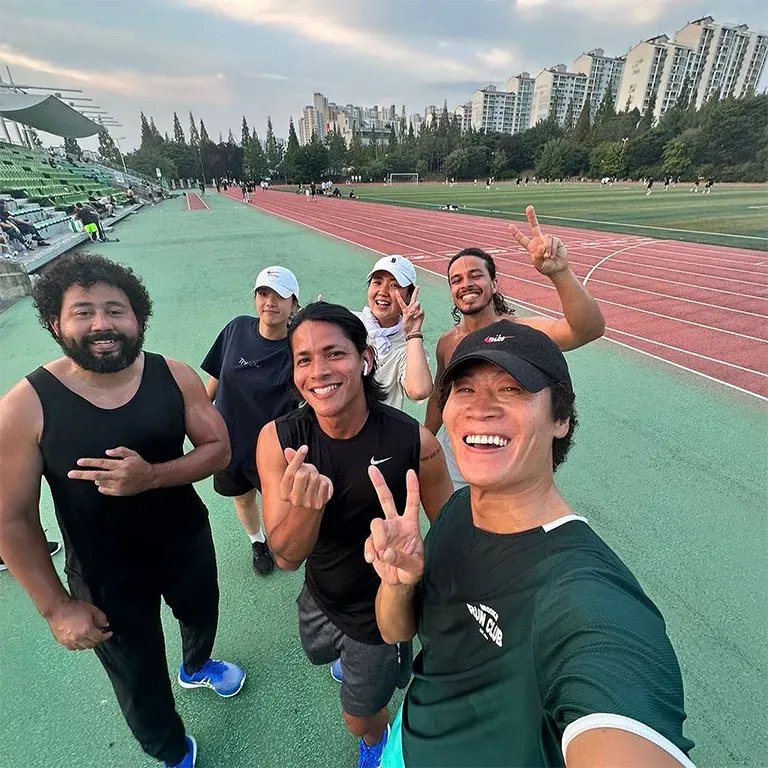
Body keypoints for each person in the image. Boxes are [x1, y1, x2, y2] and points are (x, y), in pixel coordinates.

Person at [370, 321, 696, 768]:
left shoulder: (585, 596)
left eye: (511, 389)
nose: (480, 408)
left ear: (560, 418)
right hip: (406, 742)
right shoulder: (457, 508)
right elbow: (397, 631)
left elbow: (619, 718)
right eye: (463, 389)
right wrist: (397, 584)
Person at [0, 254, 245, 768]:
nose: (102, 324)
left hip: (186, 543)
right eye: (83, 312)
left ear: (139, 319)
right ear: (55, 323)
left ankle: (197, 665)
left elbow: (218, 450)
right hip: (105, 573)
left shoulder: (172, 375)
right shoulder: (26, 404)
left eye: (117, 310)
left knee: (200, 614)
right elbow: (12, 518)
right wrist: (56, 607)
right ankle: (171, 750)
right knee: (137, 677)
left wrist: (152, 476)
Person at [256, 302, 453, 768]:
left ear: (364, 358)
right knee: (320, 654)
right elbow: (285, 557)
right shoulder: (280, 440)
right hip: (320, 595)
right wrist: (309, 509)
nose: (319, 371)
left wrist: (412, 576)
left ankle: (375, 741)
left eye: (334, 354)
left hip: (378, 618)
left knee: (358, 716)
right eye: (304, 359)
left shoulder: (413, 443)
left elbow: (448, 530)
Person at [424, 206, 605, 489]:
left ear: (494, 283)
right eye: (456, 280)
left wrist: (560, 273)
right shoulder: (448, 343)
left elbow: (587, 330)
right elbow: (439, 395)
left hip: (507, 446)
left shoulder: (523, 333)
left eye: (475, 275)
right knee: (457, 520)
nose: (466, 284)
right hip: (459, 446)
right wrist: (426, 441)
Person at [202, 266, 301, 576]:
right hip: (230, 440)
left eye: (279, 296)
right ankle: (257, 542)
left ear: (294, 305)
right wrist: (200, 413)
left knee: (281, 503)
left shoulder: (298, 346)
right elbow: (217, 376)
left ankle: (283, 542)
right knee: (243, 498)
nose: (269, 302)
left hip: (273, 448)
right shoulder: (236, 329)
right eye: (263, 293)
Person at [355, 255, 432, 411]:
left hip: (379, 433)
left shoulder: (409, 346)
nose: (383, 291)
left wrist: (413, 334)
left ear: (409, 296)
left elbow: (419, 391)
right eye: (377, 282)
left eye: (394, 285)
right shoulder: (349, 323)